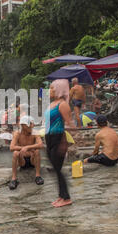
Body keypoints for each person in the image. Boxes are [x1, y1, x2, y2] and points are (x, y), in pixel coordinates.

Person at [45, 79, 74, 208]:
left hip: (58, 138)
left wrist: (65, 142)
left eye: (51, 88)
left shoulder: (62, 105)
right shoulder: (51, 104)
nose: (49, 91)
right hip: (49, 138)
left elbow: (69, 124)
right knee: (56, 170)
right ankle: (61, 196)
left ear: (59, 89)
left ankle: (66, 198)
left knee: (57, 169)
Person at [9, 115, 44, 190]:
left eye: (32, 124)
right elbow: (11, 147)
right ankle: (14, 179)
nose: (32, 126)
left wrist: (28, 147)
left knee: (37, 151)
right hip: (22, 160)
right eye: (30, 124)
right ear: (24, 126)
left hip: (32, 160)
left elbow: (41, 145)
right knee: (15, 153)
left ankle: (37, 176)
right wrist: (23, 148)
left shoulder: (35, 132)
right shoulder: (17, 133)